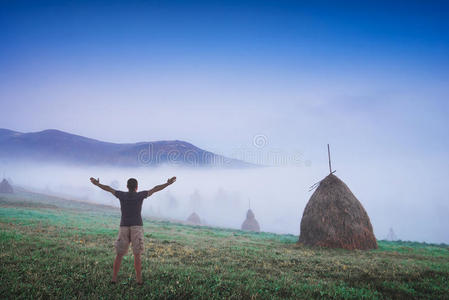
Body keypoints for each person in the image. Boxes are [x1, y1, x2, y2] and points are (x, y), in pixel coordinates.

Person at [90, 176, 176, 285]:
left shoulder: (122, 195)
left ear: (127, 187)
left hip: (124, 226)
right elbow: (155, 189)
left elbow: (108, 188)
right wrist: (167, 183)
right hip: (137, 227)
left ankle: (114, 279)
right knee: (137, 255)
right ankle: (139, 280)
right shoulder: (140, 195)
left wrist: (97, 184)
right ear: (136, 187)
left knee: (119, 254)